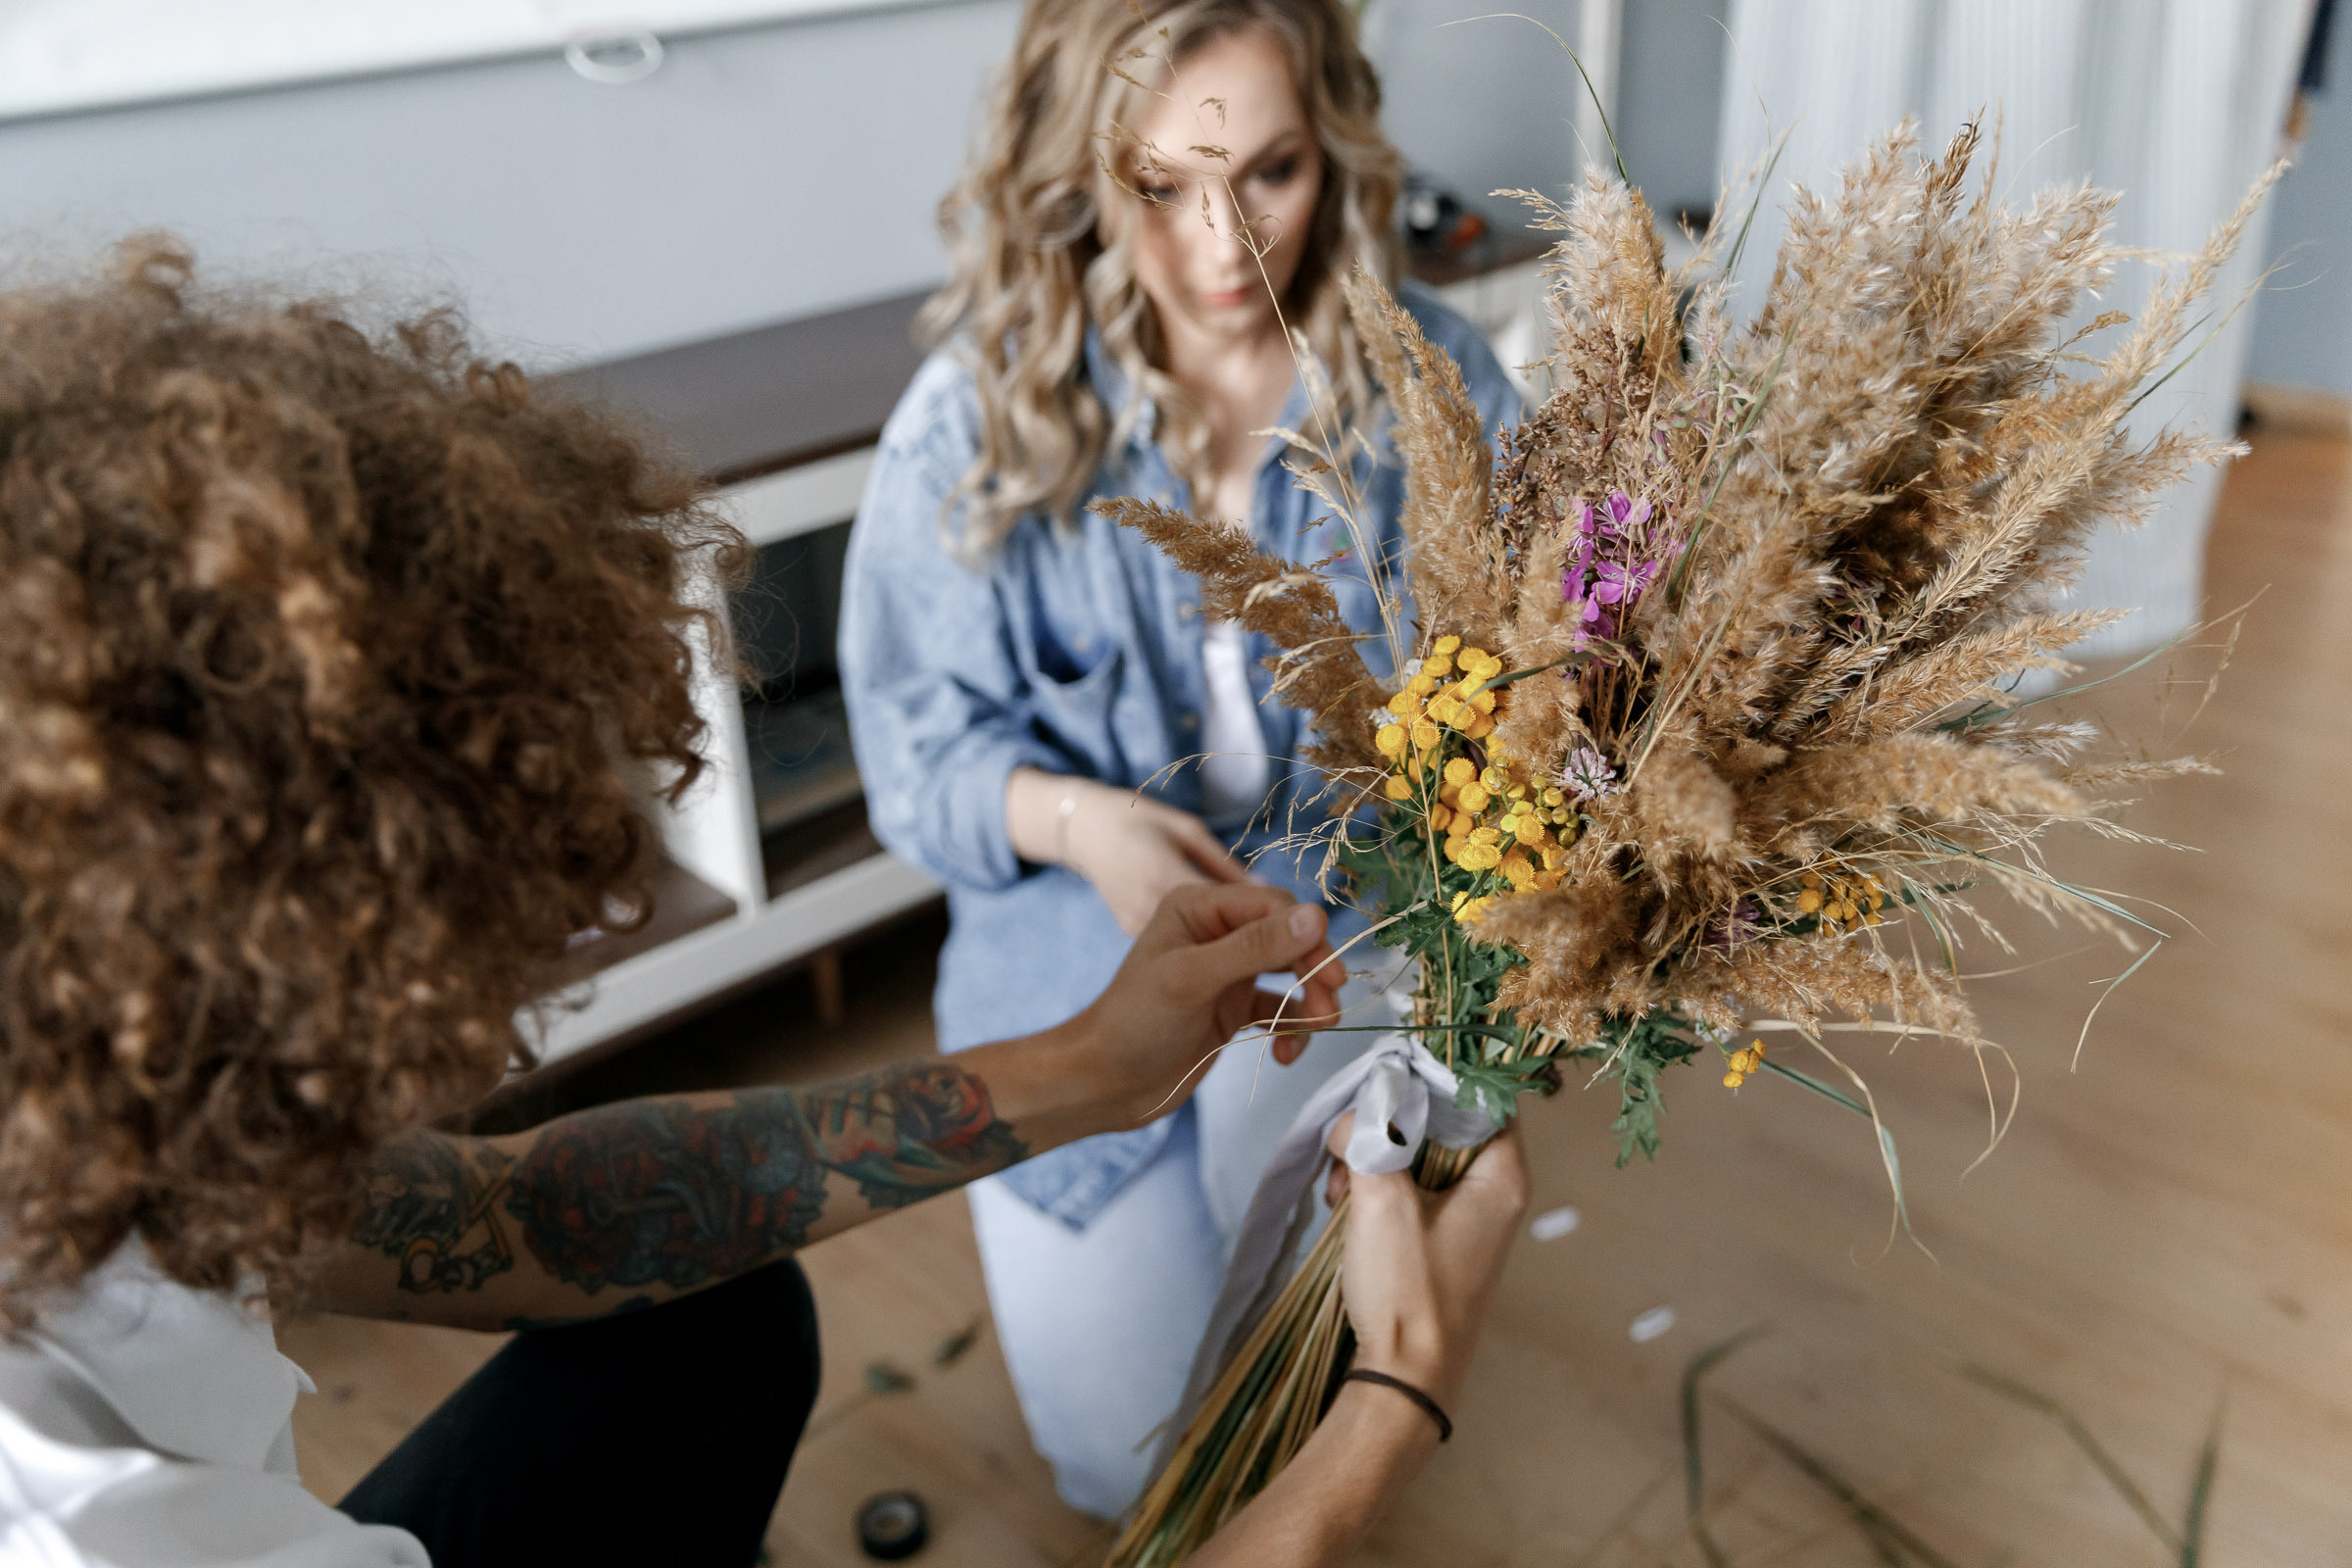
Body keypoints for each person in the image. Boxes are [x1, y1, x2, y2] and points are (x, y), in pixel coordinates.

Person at [0, 244, 1530, 1568]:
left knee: (713, 1322)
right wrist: (1391, 1402)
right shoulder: (79, 1519)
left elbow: (511, 1216)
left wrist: (1083, 1072)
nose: (525, 982)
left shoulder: (97, 1093)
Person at [839, 0, 1522, 1515]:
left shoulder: (1440, 387)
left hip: (1357, 929)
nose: (1225, 246)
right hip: (1070, 955)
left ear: (1333, 153)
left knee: (1307, 1388)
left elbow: (1541, 691)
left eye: (1270, 173)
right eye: (1161, 187)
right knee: (1121, 1463)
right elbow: (914, 748)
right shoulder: (980, 419)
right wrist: (1086, 827)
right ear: (1084, 177)